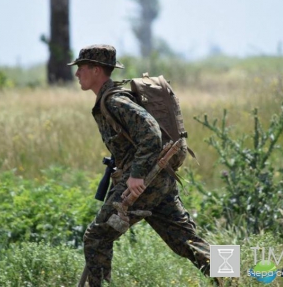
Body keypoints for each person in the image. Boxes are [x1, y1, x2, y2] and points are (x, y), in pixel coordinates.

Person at [69, 44, 217, 286]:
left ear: (96, 70)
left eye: (81, 68)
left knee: (96, 236)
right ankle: (236, 275)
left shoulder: (115, 101)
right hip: (158, 180)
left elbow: (151, 133)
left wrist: (136, 175)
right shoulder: (109, 99)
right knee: (187, 240)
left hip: (145, 182)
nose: (77, 74)